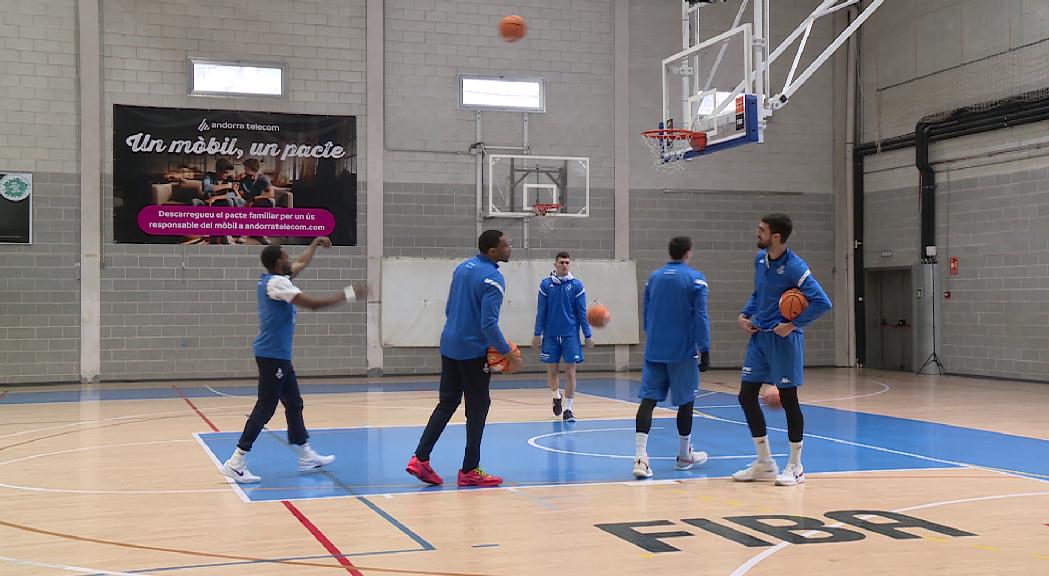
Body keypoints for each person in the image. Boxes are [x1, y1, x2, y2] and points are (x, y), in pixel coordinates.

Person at [221, 237, 367, 483]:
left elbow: (300, 263)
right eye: (286, 256)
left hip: (279, 356)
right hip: (272, 356)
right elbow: (313, 305)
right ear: (278, 263)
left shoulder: (276, 279)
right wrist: (349, 294)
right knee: (266, 406)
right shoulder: (278, 284)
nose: (291, 259)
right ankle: (236, 461)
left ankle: (305, 454)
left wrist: (314, 245)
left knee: (294, 403)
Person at [406, 230, 521, 488]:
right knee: (478, 408)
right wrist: (509, 355)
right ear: (493, 251)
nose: (510, 247)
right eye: (506, 244)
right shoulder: (493, 278)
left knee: (447, 404)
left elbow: (449, 308)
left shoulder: (461, 269)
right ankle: (469, 469)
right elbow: (489, 324)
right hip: (471, 350)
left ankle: (420, 458)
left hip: (449, 343)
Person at [733, 213, 831, 486]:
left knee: (789, 400)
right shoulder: (760, 260)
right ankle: (765, 463)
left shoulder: (795, 267)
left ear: (776, 236)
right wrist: (745, 314)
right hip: (760, 338)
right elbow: (759, 293)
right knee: (746, 396)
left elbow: (823, 302)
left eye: (762, 229)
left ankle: (796, 466)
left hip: (785, 340)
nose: (757, 232)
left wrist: (793, 324)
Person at [632, 236, 711, 479]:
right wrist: (704, 348)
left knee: (648, 401)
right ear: (689, 252)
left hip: (655, 349)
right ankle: (683, 455)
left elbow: (646, 314)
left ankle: (640, 458)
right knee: (686, 402)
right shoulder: (695, 279)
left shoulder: (653, 278)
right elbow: (701, 316)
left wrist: (654, 337)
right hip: (683, 352)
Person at [532, 251, 593, 422]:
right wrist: (537, 334)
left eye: (567, 262)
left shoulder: (576, 285)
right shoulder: (546, 285)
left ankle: (568, 409)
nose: (565, 265)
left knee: (570, 372)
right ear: (555, 265)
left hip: (570, 335)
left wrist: (587, 334)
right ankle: (556, 396)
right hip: (550, 335)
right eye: (561, 262)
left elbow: (582, 312)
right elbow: (541, 311)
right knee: (552, 372)